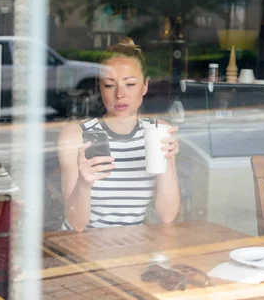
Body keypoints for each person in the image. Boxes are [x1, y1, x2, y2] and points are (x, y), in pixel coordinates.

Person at [57, 37, 181, 231]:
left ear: (145, 86)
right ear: (100, 88)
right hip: (80, 247)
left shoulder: (159, 132)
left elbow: (167, 216)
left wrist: (169, 162)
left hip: (129, 247)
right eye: (109, 85)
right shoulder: (75, 135)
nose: (120, 94)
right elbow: (75, 224)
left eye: (130, 84)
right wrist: (84, 182)